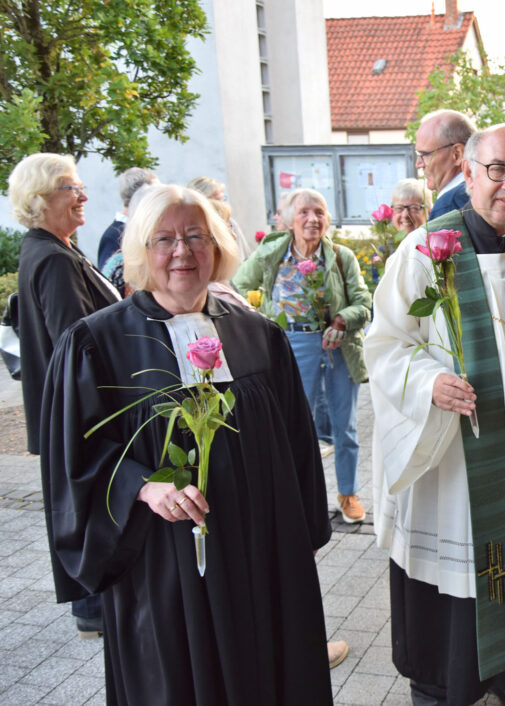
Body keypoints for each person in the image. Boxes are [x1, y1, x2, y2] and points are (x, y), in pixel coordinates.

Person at [39, 184, 338, 703]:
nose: (182, 251)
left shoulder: (258, 336)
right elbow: (75, 461)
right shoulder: (98, 344)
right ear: (140, 251)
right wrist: (144, 487)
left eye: (196, 236)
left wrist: (296, 539)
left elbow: (296, 449)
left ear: (218, 246)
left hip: (258, 554)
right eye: (164, 239)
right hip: (162, 564)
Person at [366, 123, 505, 705]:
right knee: (458, 575)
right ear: (467, 172)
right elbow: (385, 342)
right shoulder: (425, 249)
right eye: (496, 170)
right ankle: (445, 686)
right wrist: (429, 381)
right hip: (455, 462)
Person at [9, 153, 121, 639]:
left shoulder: (52, 249)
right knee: (92, 504)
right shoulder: (54, 258)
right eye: (72, 188)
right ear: (42, 198)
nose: (84, 197)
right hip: (85, 413)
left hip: (71, 410)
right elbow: (76, 342)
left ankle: (92, 607)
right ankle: (94, 609)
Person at [233, 188, 372, 523]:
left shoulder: (340, 257)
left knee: (345, 427)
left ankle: (348, 492)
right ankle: (300, 494)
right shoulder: (272, 254)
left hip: (337, 347)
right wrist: (266, 314)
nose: (313, 219)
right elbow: (238, 286)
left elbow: (363, 302)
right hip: (290, 345)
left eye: (320, 212)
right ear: (288, 220)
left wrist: (343, 320)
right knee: (295, 424)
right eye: (304, 213)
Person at [414, 109, 477, 217]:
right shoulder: (482, 193)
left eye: (425, 154)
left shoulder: (449, 205)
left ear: (457, 154)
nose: (418, 164)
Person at [97, 167, 159, 269]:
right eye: (155, 193)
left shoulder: (142, 229)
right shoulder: (113, 236)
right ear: (141, 196)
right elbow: (107, 279)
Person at [188, 175, 253, 258]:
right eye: (217, 200)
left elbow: (244, 256)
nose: (222, 204)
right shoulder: (191, 228)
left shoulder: (229, 222)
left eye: (223, 199)